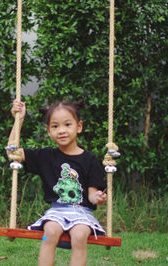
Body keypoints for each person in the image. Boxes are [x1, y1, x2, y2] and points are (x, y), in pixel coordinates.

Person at [7, 99, 107, 266]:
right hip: (56, 212)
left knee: (80, 235)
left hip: (81, 213)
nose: (61, 130)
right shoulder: (45, 156)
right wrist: (19, 119)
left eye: (67, 124)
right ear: (48, 131)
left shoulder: (89, 160)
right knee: (49, 232)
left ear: (79, 127)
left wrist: (97, 197)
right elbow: (12, 152)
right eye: (55, 126)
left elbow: (91, 195)